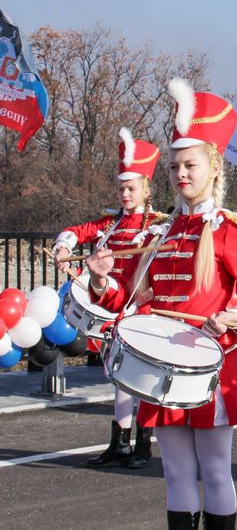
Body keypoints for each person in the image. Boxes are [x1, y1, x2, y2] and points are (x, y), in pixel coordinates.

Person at [86, 80, 237, 530]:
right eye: (174, 167)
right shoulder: (163, 233)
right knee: (173, 474)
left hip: (213, 369)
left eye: (190, 164)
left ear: (215, 166)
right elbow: (136, 301)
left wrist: (235, 316)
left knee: (215, 471)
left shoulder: (234, 231)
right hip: (164, 370)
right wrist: (101, 283)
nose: (181, 174)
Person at [53, 128, 163, 468]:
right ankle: (120, 443)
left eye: (131, 188)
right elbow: (77, 231)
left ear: (145, 187)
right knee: (118, 377)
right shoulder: (110, 224)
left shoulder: (159, 225)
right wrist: (63, 246)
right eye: (120, 188)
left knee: (142, 379)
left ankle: (144, 445)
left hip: (144, 311)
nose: (124, 194)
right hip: (114, 308)